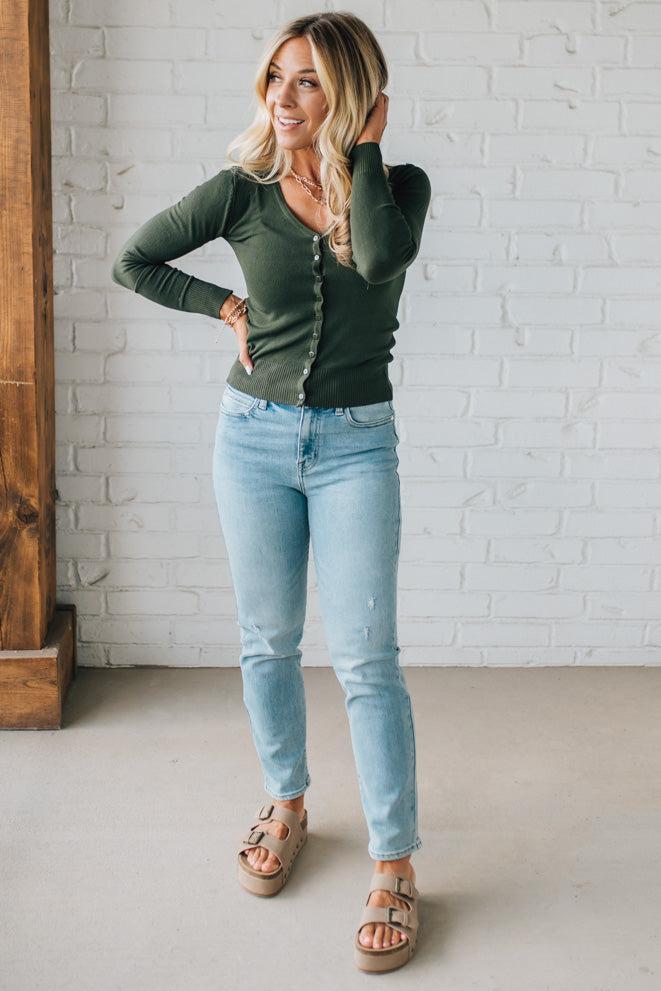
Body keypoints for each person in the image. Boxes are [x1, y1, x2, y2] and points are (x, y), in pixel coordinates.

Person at [111, 10, 431, 973]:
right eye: (275, 79)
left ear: (352, 100)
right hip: (248, 440)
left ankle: (393, 861)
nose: (282, 101)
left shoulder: (397, 187)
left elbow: (376, 259)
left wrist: (364, 151)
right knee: (266, 641)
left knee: (367, 660)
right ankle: (287, 803)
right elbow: (134, 261)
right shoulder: (238, 192)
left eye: (307, 84)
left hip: (355, 445)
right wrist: (221, 304)